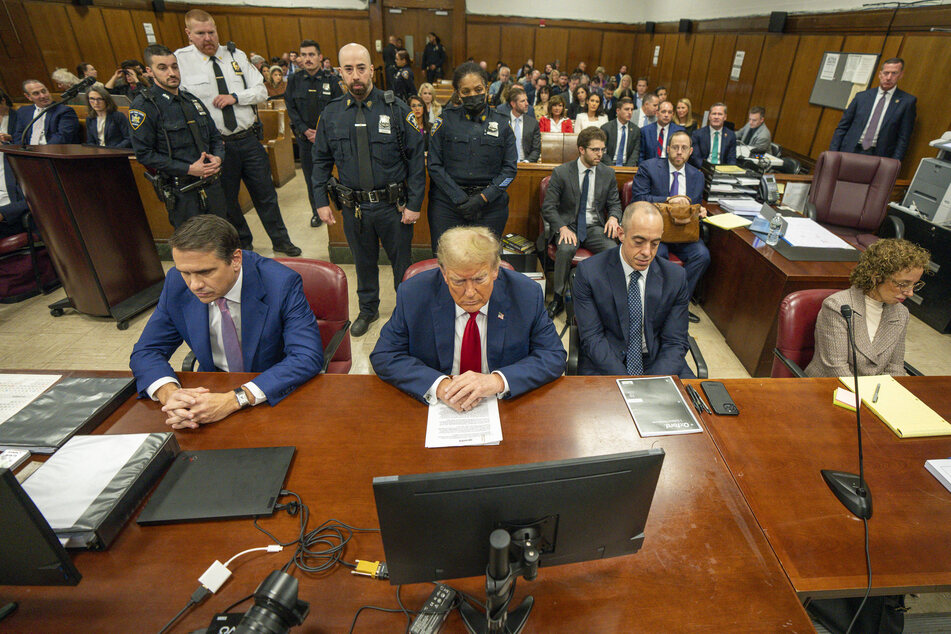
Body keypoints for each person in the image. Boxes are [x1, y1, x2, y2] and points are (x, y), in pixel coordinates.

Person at [129, 215, 323, 430]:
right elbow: (147, 350)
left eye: (205, 272)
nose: (194, 285)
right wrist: (171, 395)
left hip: (269, 393)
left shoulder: (281, 283)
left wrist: (235, 399)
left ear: (236, 260)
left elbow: (306, 356)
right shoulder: (176, 282)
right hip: (210, 391)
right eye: (185, 272)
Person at [370, 226, 565, 410]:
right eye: (458, 281)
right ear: (444, 274)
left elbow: (553, 355)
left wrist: (497, 380)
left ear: (495, 270)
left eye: (480, 279)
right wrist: (440, 385)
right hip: (437, 406)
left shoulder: (526, 294)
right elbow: (385, 355)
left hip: (502, 403)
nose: (470, 292)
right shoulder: (414, 293)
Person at [312, 43, 425, 337]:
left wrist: (414, 203)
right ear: (340, 72)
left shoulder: (397, 109)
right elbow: (321, 160)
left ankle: (406, 314)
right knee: (363, 263)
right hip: (355, 208)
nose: (355, 75)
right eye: (348, 69)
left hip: (393, 206)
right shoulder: (332, 113)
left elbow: (415, 159)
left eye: (361, 68)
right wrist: (319, 201)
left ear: (372, 70)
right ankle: (368, 309)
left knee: (402, 265)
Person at [176, 9, 300, 256]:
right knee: (228, 201)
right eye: (201, 33)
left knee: (266, 195)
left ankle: (281, 241)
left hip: (249, 140)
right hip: (218, 145)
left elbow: (261, 91)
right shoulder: (180, 61)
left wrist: (235, 97)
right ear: (189, 34)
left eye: (212, 32)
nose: (208, 38)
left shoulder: (235, 55)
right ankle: (243, 243)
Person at [572, 201, 692, 377]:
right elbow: (592, 338)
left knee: (693, 403)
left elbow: (675, 341)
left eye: (655, 243)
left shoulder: (675, 277)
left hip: (658, 361)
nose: (647, 252)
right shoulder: (590, 272)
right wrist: (629, 382)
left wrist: (652, 383)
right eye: (639, 241)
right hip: (606, 361)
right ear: (621, 233)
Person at [130, 44, 227, 228]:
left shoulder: (191, 100)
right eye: (163, 68)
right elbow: (144, 154)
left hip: (211, 185)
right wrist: (188, 169)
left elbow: (215, 136)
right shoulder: (145, 106)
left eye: (174, 67)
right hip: (182, 192)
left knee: (222, 238)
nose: (171, 72)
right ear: (149, 71)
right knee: (195, 247)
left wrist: (218, 157)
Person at [805, 238, 929, 378]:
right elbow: (835, 368)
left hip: (873, 392)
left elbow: (895, 367)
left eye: (914, 285)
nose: (910, 293)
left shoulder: (901, 313)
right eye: (903, 284)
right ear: (876, 277)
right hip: (829, 386)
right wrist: (864, 398)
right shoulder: (837, 306)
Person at [428, 62, 517, 252]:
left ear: (487, 88)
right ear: (458, 93)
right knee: (446, 259)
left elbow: (510, 170)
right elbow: (434, 165)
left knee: (485, 262)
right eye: (466, 91)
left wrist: (483, 198)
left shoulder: (502, 124)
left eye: (477, 89)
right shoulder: (444, 121)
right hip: (448, 204)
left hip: (490, 205)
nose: (472, 95)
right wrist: (459, 198)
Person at [541, 127, 623, 318]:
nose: (600, 154)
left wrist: (613, 217)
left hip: (595, 226)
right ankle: (558, 298)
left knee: (613, 250)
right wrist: (561, 228)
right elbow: (548, 207)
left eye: (602, 149)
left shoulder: (607, 173)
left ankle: (604, 296)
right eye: (595, 149)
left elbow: (615, 204)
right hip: (569, 225)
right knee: (565, 249)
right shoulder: (562, 173)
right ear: (581, 149)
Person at [631, 130, 709, 322]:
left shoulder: (697, 176)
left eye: (684, 148)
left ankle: (678, 304)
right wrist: (669, 200)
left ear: (690, 151)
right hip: (656, 231)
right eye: (675, 147)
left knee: (702, 255)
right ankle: (654, 304)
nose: (679, 152)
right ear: (667, 148)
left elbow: (694, 204)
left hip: (684, 233)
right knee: (658, 254)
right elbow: (639, 199)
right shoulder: (649, 167)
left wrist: (699, 211)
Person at [284, 39, 343, 227]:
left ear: (320, 57)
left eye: (311, 55)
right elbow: (291, 107)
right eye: (304, 55)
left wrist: (323, 133)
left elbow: (339, 109)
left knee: (335, 175)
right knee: (312, 179)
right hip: (305, 140)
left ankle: (337, 209)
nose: (308, 59)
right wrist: (304, 130)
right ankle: (316, 210)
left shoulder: (331, 80)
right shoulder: (294, 80)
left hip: (330, 141)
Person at [829, 57, 916, 161]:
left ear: (901, 75)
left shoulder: (906, 102)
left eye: (894, 73)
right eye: (886, 73)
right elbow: (842, 127)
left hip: (879, 156)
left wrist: (895, 162)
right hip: (850, 149)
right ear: (880, 74)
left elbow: (903, 138)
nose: (888, 77)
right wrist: (833, 153)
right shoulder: (861, 97)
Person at [13, 79, 80, 145]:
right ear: (28, 97)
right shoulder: (23, 111)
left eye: (44, 91)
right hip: (29, 152)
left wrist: (41, 152)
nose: (43, 96)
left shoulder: (64, 111)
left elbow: (63, 137)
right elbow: (18, 135)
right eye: (36, 93)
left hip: (52, 152)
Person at [496, 85, 540, 163]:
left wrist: (526, 162)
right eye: (522, 101)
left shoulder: (533, 123)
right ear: (513, 104)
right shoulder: (502, 121)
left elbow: (536, 150)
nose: (527, 104)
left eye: (526, 100)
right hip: (505, 164)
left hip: (527, 165)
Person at [689, 102, 736, 168]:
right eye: (714, 114)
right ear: (709, 116)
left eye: (720, 114)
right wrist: (708, 170)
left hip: (722, 171)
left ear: (725, 117)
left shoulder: (731, 135)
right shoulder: (697, 134)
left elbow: (731, 159)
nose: (716, 117)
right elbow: (696, 158)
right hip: (703, 170)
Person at [84, 84, 131, 148]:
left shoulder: (118, 116)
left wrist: (114, 150)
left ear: (106, 100)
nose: (96, 103)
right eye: (92, 99)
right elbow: (90, 141)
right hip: (98, 154)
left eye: (99, 99)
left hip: (116, 153)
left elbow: (128, 138)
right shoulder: (90, 118)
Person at [601, 97, 640, 167]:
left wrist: (628, 168)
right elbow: (602, 151)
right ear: (618, 111)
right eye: (626, 109)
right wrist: (611, 167)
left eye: (632, 110)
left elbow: (635, 152)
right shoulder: (606, 128)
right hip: (608, 165)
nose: (630, 112)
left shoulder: (636, 130)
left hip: (627, 166)